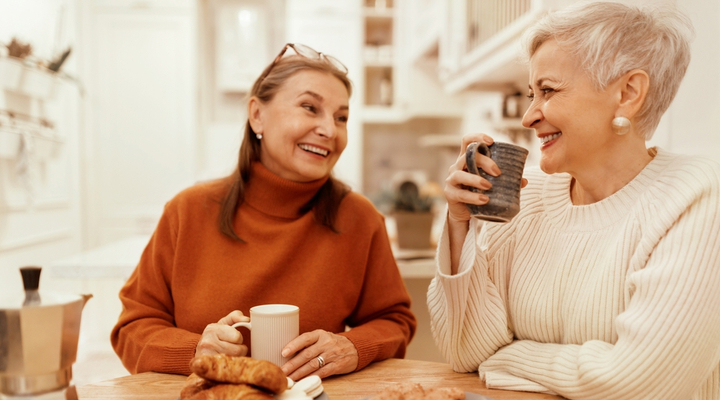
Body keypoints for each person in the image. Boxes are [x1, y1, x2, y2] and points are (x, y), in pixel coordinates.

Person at [428, 2, 720, 399]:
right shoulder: (526, 199)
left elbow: (639, 385)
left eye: (547, 90)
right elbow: (466, 352)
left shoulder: (696, 196)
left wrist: (508, 358)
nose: (529, 116)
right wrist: (461, 225)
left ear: (627, 94)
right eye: (532, 94)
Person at [111, 43, 416, 381]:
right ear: (257, 114)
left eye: (341, 117)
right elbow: (131, 328)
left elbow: (394, 321)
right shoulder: (188, 211)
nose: (330, 130)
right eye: (309, 107)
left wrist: (352, 347)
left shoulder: (359, 218)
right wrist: (196, 351)